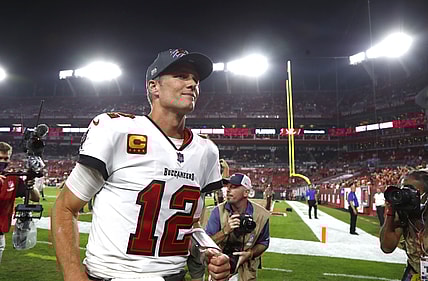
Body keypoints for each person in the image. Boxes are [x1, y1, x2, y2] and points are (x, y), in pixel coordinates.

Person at [51, 49, 230, 281]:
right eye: (182, 76)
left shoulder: (206, 151)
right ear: (154, 87)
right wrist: (74, 275)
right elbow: (65, 207)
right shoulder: (116, 129)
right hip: (111, 275)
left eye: (195, 79)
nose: (192, 84)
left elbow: (192, 223)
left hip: (173, 276)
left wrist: (209, 250)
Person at [205, 173, 270, 280]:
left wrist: (250, 254)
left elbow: (264, 242)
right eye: (228, 186)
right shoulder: (217, 212)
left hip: (246, 272)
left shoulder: (261, 215)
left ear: (246, 192)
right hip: (220, 270)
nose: (228, 190)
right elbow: (207, 244)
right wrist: (225, 231)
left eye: (234, 187)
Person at [380, 170, 428, 281]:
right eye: (404, 190)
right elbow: (387, 247)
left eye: (412, 192)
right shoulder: (404, 214)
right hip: (414, 273)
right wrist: (391, 212)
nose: (407, 196)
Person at [0, 142, 40, 263]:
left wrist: (31, 186)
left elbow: (36, 198)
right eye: (0, 158)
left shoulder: (11, 178)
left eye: (6, 158)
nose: (3, 161)